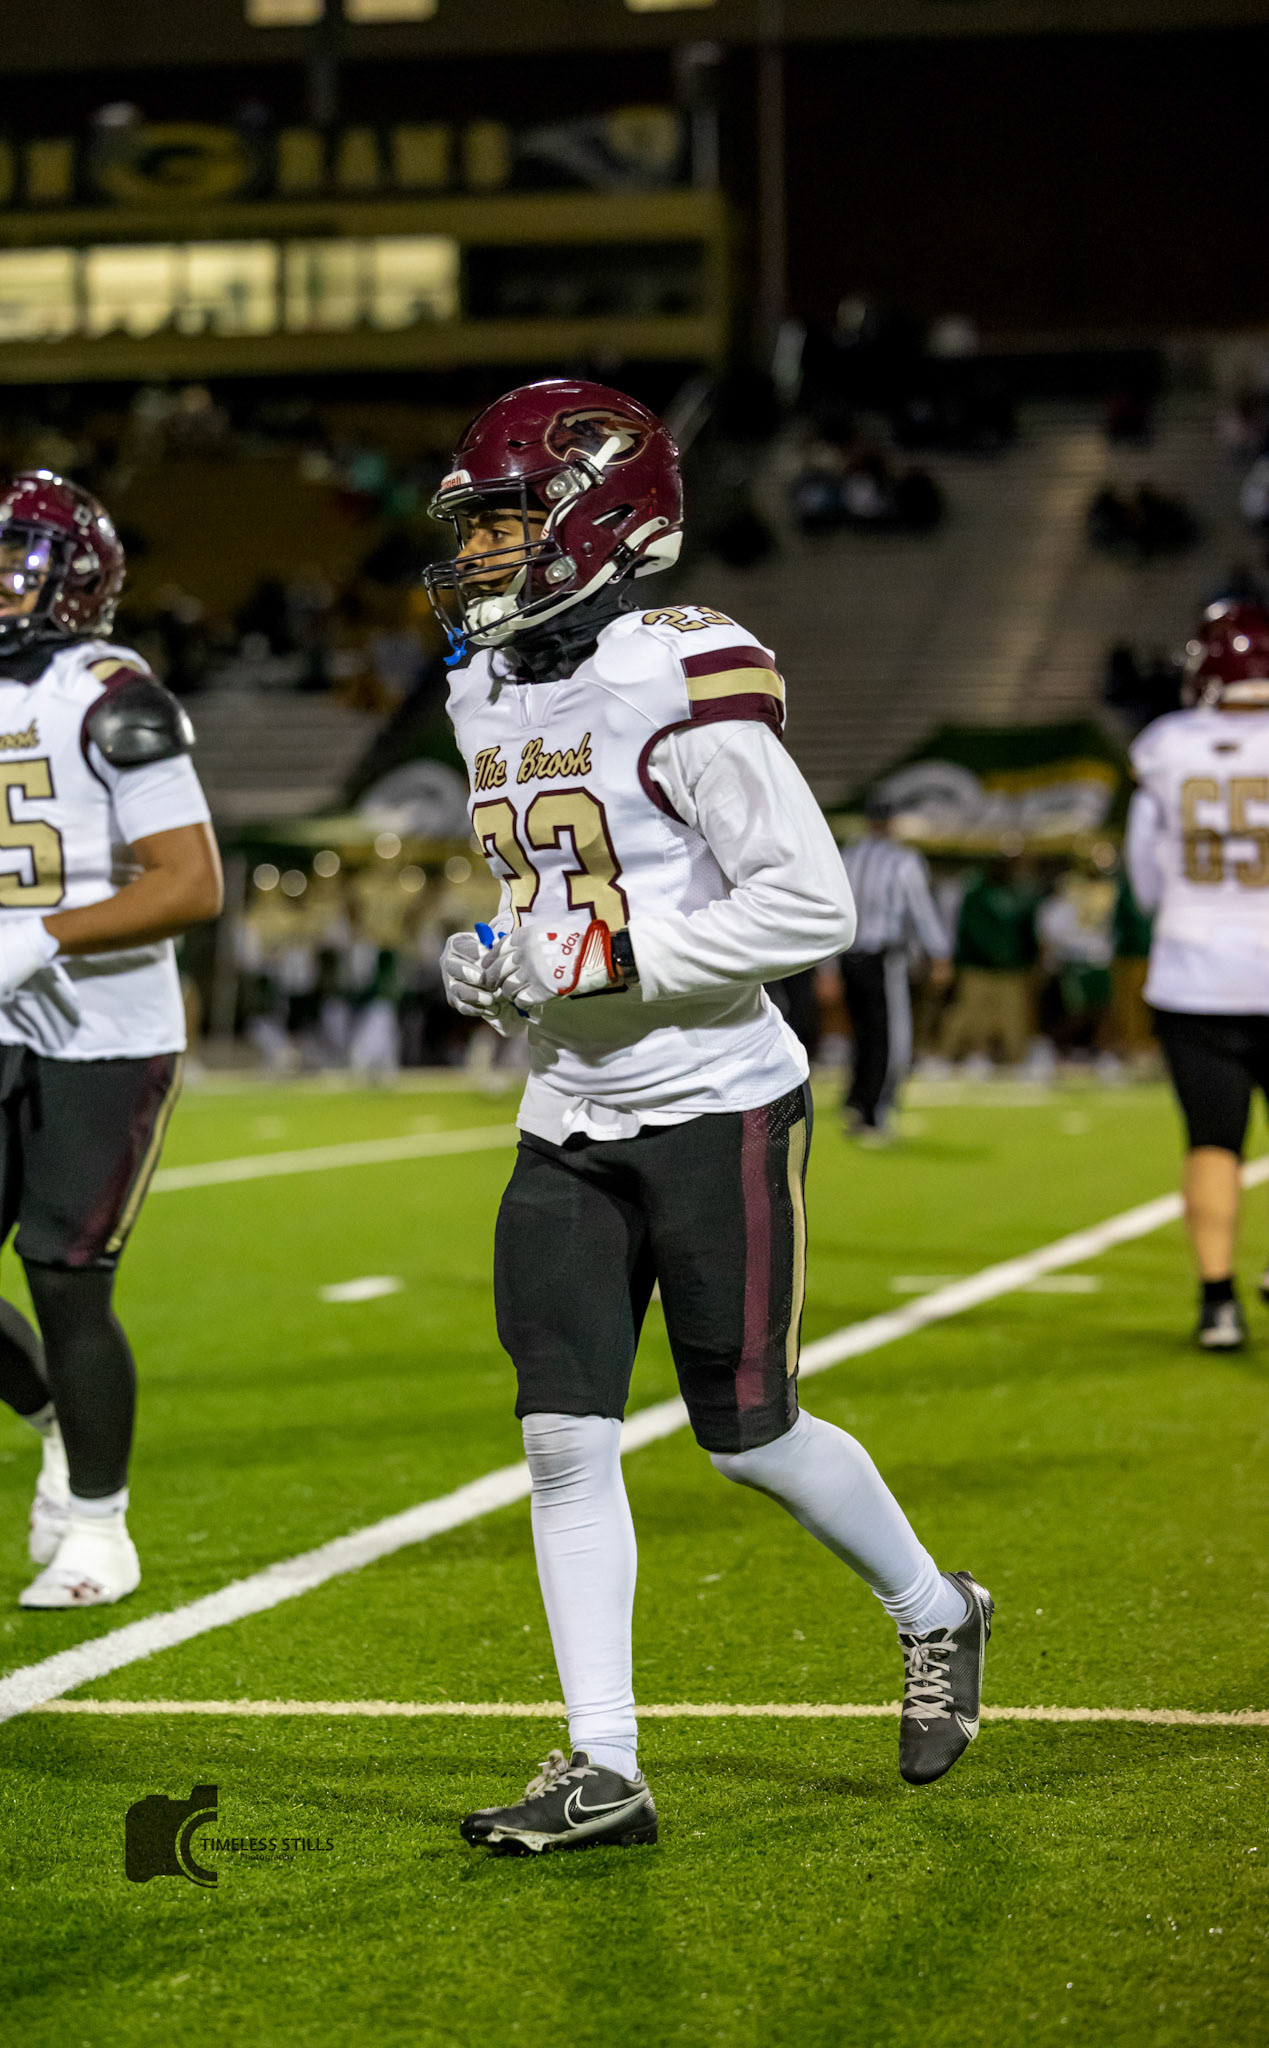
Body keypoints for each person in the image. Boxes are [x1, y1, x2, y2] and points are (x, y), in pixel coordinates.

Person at [428, 379, 993, 1855]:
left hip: (714, 1099)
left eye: (504, 521)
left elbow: (805, 906)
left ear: (601, 519)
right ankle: (603, 1764)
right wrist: (500, 961)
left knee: (749, 1437)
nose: (478, 552)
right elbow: (556, 893)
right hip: (568, 1106)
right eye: (474, 527)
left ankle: (935, 1607)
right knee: (564, 1439)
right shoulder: (480, 690)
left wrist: (603, 957)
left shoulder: (674, 670)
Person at [0, 471, 222, 1606]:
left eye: (20, 563)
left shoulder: (113, 695)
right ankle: (53, 1417)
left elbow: (189, 883)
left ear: (78, 579)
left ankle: (99, 1526)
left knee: (65, 1280)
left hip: (106, 1028)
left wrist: (39, 935)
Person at [1125, 599, 1269, 1350]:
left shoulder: (1166, 746)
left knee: (1213, 1140)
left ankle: (1218, 1304)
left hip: (1194, 976)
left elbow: (1146, 877)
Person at [827, 795, 952, 1140]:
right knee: (891, 1039)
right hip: (883, 959)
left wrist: (828, 968)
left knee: (862, 1034)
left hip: (849, 956)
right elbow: (921, 910)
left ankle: (856, 1101)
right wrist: (939, 953)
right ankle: (875, 1112)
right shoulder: (903, 860)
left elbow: (833, 910)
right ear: (893, 822)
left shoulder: (848, 856)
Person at [937, 857, 1041, 1069]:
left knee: (1013, 1017)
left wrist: (1029, 960)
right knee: (970, 1014)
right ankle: (952, 1055)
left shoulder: (1022, 895)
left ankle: (1017, 1060)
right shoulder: (976, 894)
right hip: (978, 966)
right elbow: (969, 929)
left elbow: (1029, 932)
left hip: (1011, 969)